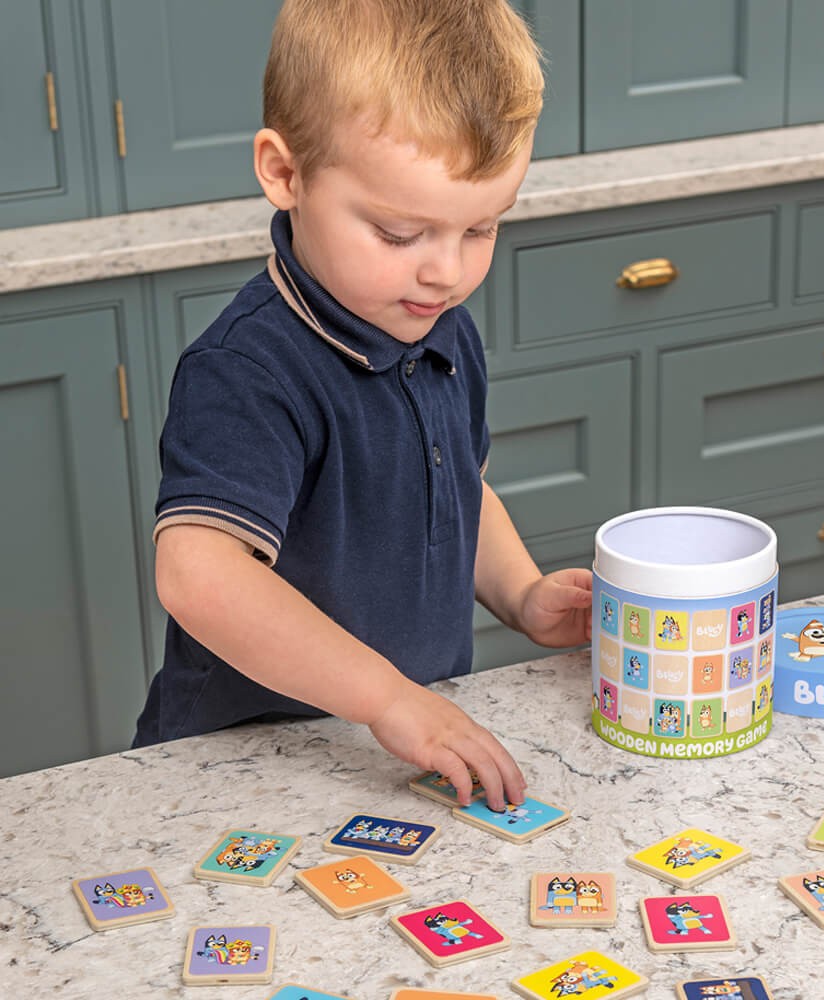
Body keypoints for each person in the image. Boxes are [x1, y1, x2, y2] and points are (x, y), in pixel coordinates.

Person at [132, 0, 592, 811]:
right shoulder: (249, 369)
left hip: (395, 763)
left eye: (481, 230)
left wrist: (522, 595)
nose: (446, 273)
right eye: (399, 233)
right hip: (243, 772)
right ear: (285, 174)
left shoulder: (442, 330)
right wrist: (385, 699)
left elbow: (457, 493)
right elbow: (198, 575)